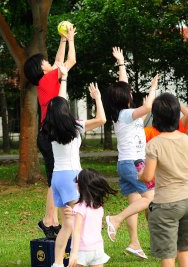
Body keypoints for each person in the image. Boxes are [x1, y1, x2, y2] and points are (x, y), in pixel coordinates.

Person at [103, 47, 158, 259]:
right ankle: (115, 219)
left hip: (126, 163)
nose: (131, 93)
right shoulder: (127, 114)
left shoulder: (123, 115)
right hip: (134, 163)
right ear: (126, 99)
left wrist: (121, 63)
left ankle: (135, 243)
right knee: (150, 198)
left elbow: (124, 87)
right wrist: (153, 87)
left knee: (136, 202)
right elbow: (149, 106)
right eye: (129, 94)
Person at [45, 81, 106, 267]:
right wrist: (98, 99)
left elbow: (58, 102)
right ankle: (80, 259)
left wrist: (63, 79)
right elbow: (102, 119)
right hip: (72, 177)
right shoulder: (76, 126)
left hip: (57, 178)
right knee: (79, 222)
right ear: (66, 110)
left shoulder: (49, 129)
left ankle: (57, 263)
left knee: (67, 225)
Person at [23, 25, 76, 239]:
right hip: (49, 135)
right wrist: (71, 39)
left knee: (54, 178)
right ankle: (48, 220)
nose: (48, 61)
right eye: (43, 61)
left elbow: (58, 62)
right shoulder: (47, 79)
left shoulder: (46, 79)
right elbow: (69, 62)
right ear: (40, 68)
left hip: (48, 134)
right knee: (54, 179)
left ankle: (51, 221)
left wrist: (62, 40)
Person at [140, 92, 188, 267]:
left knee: (168, 253)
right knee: (184, 250)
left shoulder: (154, 144)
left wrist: (140, 174)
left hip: (167, 203)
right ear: (176, 116)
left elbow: (148, 176)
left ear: (156, 118)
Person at [68, 169, 117, 267]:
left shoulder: (79, 207)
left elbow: (77, 231)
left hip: (81, 250)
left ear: (81, 186)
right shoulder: (99, 206)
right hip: (97, 248)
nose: (75, 184)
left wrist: (73, 253)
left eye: (77, 181)